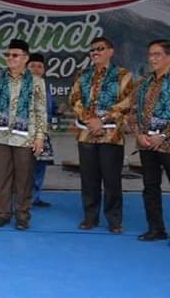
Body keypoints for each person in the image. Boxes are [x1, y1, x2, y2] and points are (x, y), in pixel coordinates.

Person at [0, 39, 46, 231]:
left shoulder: (36, 81)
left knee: (24, 178)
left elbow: (41, 110)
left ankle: (22, 215)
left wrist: (40, 136)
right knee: (2, 176)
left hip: (25, 137)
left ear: (25, 58)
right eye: (8, 55)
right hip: (0, 135)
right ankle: (3, 214)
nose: (10, 58)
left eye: (15, 55)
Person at [70, 37, 133, 234]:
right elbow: (75, 99)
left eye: (100, 49)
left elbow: (126, 103)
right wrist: (91, 120)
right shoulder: (83, 75)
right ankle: (90, 217)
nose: (95, 53)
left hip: (111, 136)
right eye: (92, 50)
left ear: (111, 51)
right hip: (86, 135)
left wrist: (102, 120)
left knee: (112, 179)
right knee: (89, 179)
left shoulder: (123, 75)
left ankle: (114, 220)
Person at [129, 39, 170, 243]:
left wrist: (163, 135)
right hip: (145, 143)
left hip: (167, 143)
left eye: (157, 54)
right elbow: (133, 110)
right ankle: (156, 229)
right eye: (150, 54)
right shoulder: (144, 81)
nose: (152, 58)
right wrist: (138, 133)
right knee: (150, 186)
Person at [27, 53, 57, 208]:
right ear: (26, 68)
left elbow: (51, 108)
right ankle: (23, 198)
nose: (36, 69)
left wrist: (58, 110)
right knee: (25, 167)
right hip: (26, 133)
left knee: (40, 166)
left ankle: (35, 197)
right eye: (32, 66)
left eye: (39, 66)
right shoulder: (22, 86)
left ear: (44, 70)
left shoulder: (47, 87)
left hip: (43, 134)